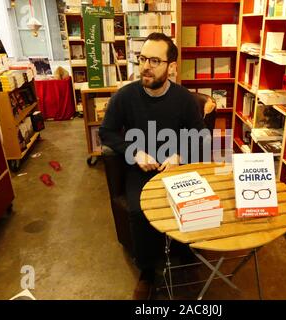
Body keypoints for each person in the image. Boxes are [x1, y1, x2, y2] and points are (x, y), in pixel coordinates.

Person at [99, 33, 207, 299]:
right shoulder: (125, 96)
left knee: (195, 203)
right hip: (141, 169)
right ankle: (147, 270)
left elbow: (201, 134)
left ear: (171, 67)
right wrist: (134, 152)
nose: (146, 66)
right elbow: (107, 132)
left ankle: (184, 251)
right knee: (138, 211)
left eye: (155, 60)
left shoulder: (184, 99)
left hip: (176, 168)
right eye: (143, 58)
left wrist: (180, 155)